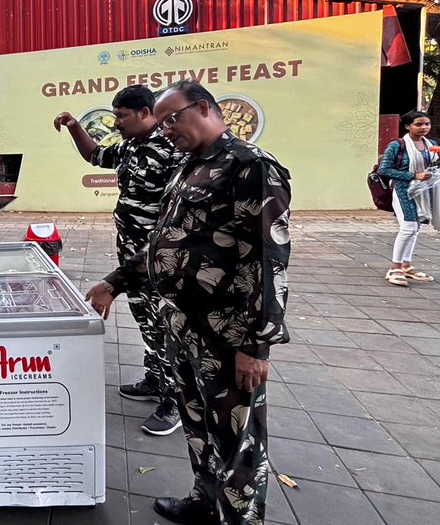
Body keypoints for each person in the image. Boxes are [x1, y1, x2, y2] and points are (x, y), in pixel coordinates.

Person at [87, 81, 291, 525]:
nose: (165, 131)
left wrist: (257, 346)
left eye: (171, 119)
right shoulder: (189, 166)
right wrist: (116, 281)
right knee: (198, 425)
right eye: (160, 123)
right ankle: (204, 499)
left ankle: (239, 519)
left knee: (238, 440)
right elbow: (169, 244)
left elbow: (268, 262)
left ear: (203, 107)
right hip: (183, 324)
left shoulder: (250, 167)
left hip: (227, 333)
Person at [56, 85, 184, 436]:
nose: (116, 123)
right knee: (145, 320)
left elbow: (178, 216)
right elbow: (95, 156)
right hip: (131, 257)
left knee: (166, 326)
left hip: (159, 259)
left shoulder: (171, 150)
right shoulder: (131, 145)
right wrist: (73, 126)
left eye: (122, 116)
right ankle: (156, 379)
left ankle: (177, 400)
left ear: (146, 113)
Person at [377, 110, 440, 288]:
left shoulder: (431, 145)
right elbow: (384, 170)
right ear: (407, 126)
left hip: (423, 192)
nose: (423, 127)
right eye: (418, 124)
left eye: (426, 124)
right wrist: (414, 176)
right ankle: (395, 266)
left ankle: (406, 264)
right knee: (408, 227)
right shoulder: (398, 145)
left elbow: (433, 166)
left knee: (416, 228)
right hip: (403, 190)